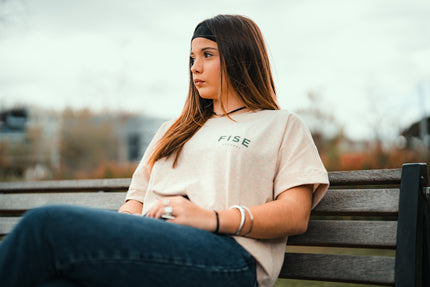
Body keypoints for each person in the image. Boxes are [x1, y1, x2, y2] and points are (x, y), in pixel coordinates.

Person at [0, 14, 329, 287]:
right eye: (191, 58)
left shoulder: (280, 125)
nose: (194, 68)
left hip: (230, 256)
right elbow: (135, 202)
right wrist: (122, 231)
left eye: (207, 55)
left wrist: (211, 219)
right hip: (154, 246)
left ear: (240, 55)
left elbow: (295, 213)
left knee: (46, 226)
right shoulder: (172, 131)